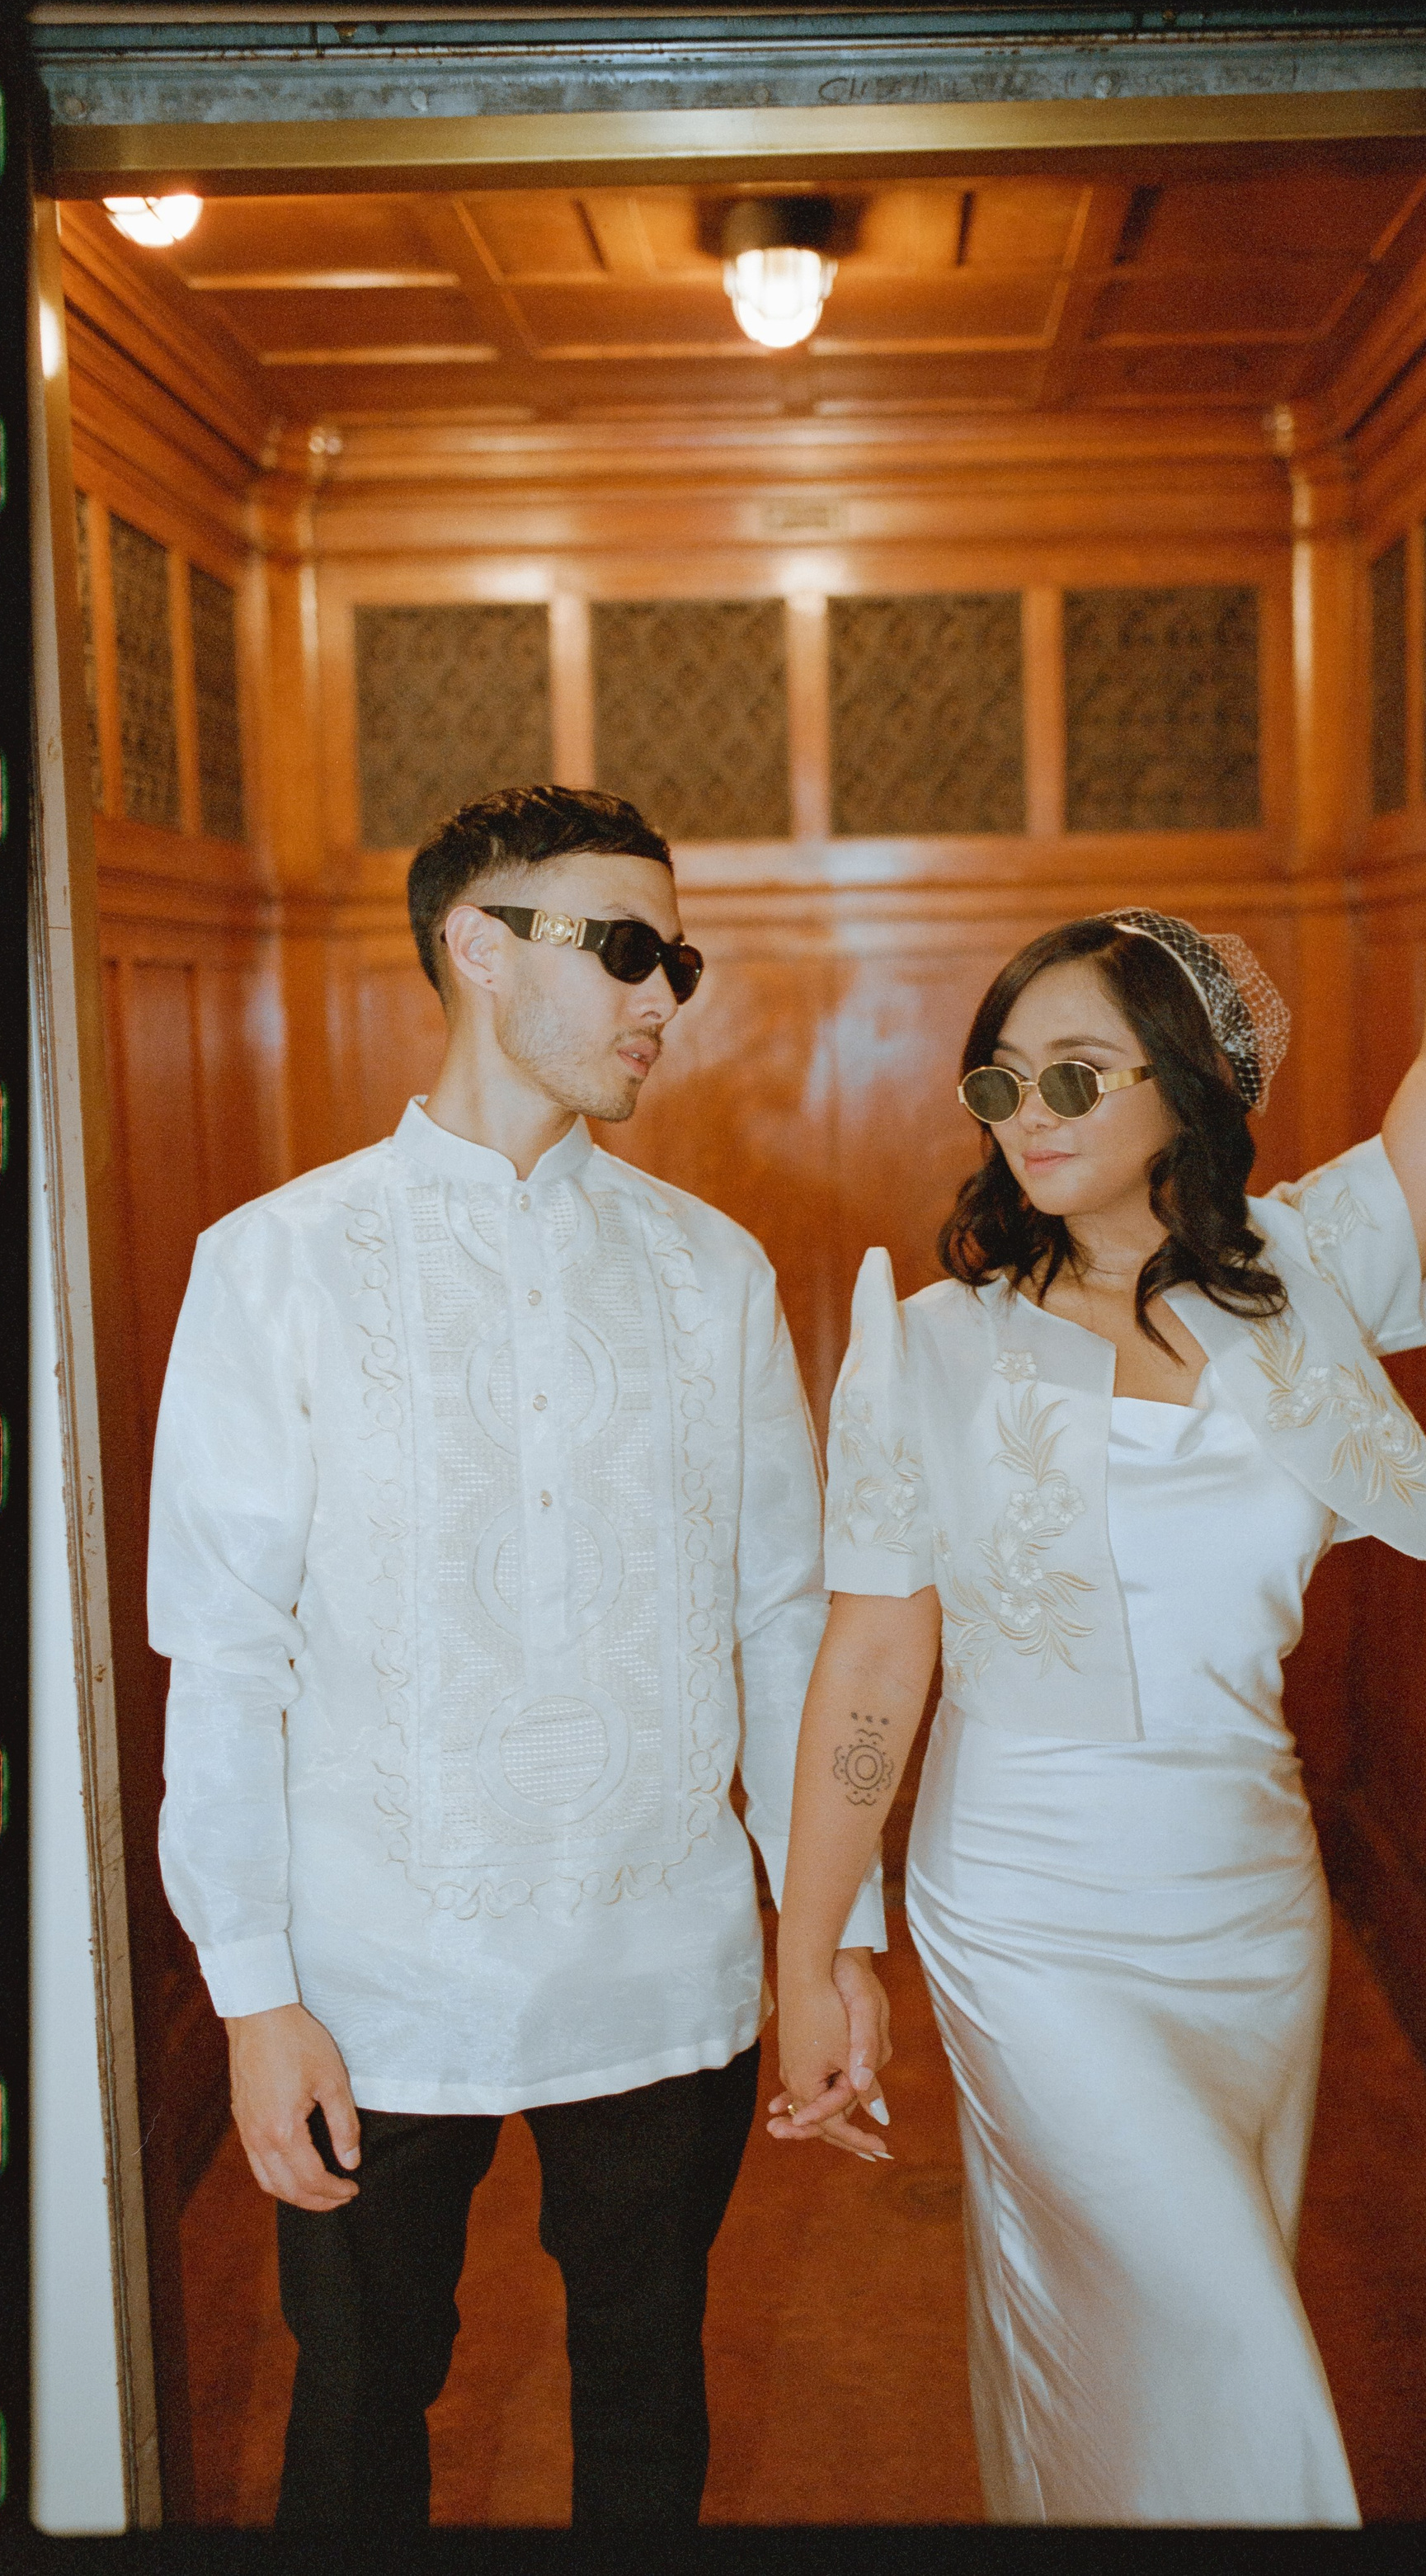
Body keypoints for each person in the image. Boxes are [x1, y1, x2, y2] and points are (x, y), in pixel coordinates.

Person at [767, 527, 1426, 2524]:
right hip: (1022, 1908)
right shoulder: (926, 1344)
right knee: (1235, 2352)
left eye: (1071, 1070)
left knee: (1141, 2358)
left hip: (1243, 1900)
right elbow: (875, 1658)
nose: (1020, 1108)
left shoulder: (1306, 1279)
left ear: (1184, 1094)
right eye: (998, 1074)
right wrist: (812, 1946)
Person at [148, 784, 886, 2531]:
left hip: (664, 1963)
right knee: (355, 2409)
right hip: (373, 1975)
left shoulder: (711, 1272)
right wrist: (253, 1992)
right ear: (478, 947)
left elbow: (788, 1617)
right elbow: (225, 1652)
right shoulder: (274, 1267)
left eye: (675, 959)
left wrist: (829, 1933)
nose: (662, 996)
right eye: (624, 948)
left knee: (646, 2399)